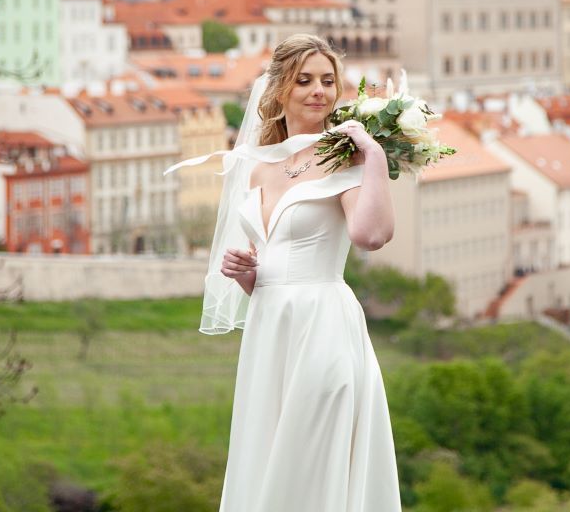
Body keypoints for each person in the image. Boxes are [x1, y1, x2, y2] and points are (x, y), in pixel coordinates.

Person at [169, 33, 401, 511]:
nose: (318, 90)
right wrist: (246, 273)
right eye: (305, 80)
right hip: (270, 330)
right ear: (279, 91)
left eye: (328, 81)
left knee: (313, 454)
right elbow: (270, 263)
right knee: (268, 454)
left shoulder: (343, 157)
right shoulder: (258, 168)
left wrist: (373, 158)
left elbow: (370, 235)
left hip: (323, 325)